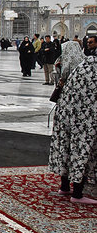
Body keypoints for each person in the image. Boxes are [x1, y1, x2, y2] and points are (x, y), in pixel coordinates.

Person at [49, 54, 97, 204]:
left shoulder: (78, 70)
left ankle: (64, 186)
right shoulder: (93, 71)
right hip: (85, 124)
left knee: (67, 151)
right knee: (82, 154)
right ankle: (77, 194)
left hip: (68, 120)